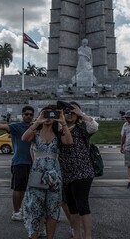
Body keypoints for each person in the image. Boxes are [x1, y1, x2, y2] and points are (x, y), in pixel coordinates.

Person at [22, 106, 73, 239]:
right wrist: (38, 122)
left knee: (52, 210)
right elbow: (24, 138)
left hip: (54, 176)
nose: (48, 118)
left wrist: (63, 122)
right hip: (37, 175)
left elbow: (69, 141)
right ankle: (34, 236)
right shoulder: (35, 133)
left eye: (52, 115)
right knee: (35, 209)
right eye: (45, 114)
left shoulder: (59, 133)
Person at [58, 101, 98, 239]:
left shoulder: (82, 127)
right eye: (66, 111)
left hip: (83, 171)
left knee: (82, 204)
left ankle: (88, 236)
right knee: (72, 206)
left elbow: (94, 126)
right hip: (66, 173)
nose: (69, 114)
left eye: (72, 112)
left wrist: (81, 113)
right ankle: (77, 235)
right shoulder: (59, 129)